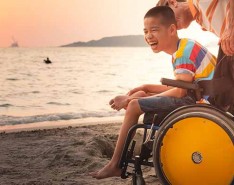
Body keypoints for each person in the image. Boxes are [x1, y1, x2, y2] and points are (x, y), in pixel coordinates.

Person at [90, 6, 216, 179]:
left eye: (154, 30)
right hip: (198, 96)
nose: (149, 36)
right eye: (146, 31)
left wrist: (128, 100)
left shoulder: (183, 53)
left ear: (171, 30)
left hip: (201, 103)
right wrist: (145, 88)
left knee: (134, 105)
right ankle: (125, 156)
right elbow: (184, 87)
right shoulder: (185, 46)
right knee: (141, 95)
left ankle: (115, 164)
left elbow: (179, 93)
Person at [156, 0, 234, 112]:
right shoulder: (201, 20)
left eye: (169, 16)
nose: (171, 23)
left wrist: (231, 27)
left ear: (173, 2)